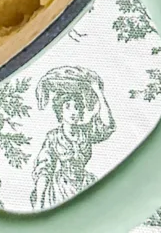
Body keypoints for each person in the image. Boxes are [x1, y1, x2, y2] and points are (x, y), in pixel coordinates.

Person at [31, 66, 115, 210]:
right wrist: (40, 201)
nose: (74, 111)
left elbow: (107, 125)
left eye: (77, 107)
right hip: (60, 189)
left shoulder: (86, 132)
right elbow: (44, 169)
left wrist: (98, 92)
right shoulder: (54, 137)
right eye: (68, 107)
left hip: (85, 185)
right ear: (60, 111)